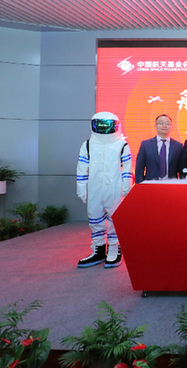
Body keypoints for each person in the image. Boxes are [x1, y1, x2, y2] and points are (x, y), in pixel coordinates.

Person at [76, 111, 132, 268]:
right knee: (95, 216)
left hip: (115, 188)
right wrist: (81, 188)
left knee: (115, 218)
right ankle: (98, 249)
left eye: (107, 125)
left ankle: (114, 248)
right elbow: (82, 168)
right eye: (100, 125)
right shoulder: (88, 145)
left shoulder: (122, 145)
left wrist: (126, 188)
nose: (103, 128)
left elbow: (127, 170)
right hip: (94, 188)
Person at [135, 114, 183, 183]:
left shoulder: (178, 146)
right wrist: (140, 185)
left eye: (167, 123)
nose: (164, 126)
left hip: (171, 184)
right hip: (151, 184)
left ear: (171, 127)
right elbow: (139, 168)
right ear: (155, 126)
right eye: (161, 123)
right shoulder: (145, 145)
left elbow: (181, 169)